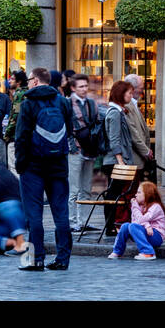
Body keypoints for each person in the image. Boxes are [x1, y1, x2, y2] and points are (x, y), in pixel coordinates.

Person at [13, 66, 75, 271]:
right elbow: (70, 130)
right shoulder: (64, 102)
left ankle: (36, 259)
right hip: (58, 165)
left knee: (34, 214)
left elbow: (21, 137)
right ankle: (63, 259)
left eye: (30, 79)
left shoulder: (28, 103)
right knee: (61, 213)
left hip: (33, 166)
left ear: (36, 81)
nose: (28, 82)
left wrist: (20, 164)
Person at [68, 74, 100, 233]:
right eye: (81, 86)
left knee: (86, 187)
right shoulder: (67, 103)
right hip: (74, 149)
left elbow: (96, 122)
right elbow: (65, 127)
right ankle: (72, 222)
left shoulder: (91, 103)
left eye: (86, 86)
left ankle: (84, 221)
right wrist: (70, 145)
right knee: (73, 188)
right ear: (73, 88)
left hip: (89, 148)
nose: (84, 89)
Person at [109, 180, 165, 261]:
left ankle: (148, 253)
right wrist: (147, 225)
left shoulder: (156, 207)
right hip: (145, 232)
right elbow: (135, 221)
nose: (136, 195)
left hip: (156, 236)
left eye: (139, 192)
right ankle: (118, 251)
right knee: (125, 226)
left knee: (133, 226)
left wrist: (134, 206)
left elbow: (141, 220)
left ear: (147, 194)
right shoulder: (139, 206)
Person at [121, 74, 154, 169]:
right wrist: (146, 151)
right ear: (132, 89)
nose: (142, 91)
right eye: (141, 88)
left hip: (139, 156)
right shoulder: (126, 105)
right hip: (133, 156)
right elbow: (133, 133)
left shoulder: (133, 104)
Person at [102, 80, 135, 168]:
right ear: (121, 94)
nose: (132, 96)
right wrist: (120, 162)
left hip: (120, 160)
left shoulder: (120, 111)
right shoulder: (115, 113)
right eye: (130, 93)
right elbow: (114, 139)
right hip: (115, 162)